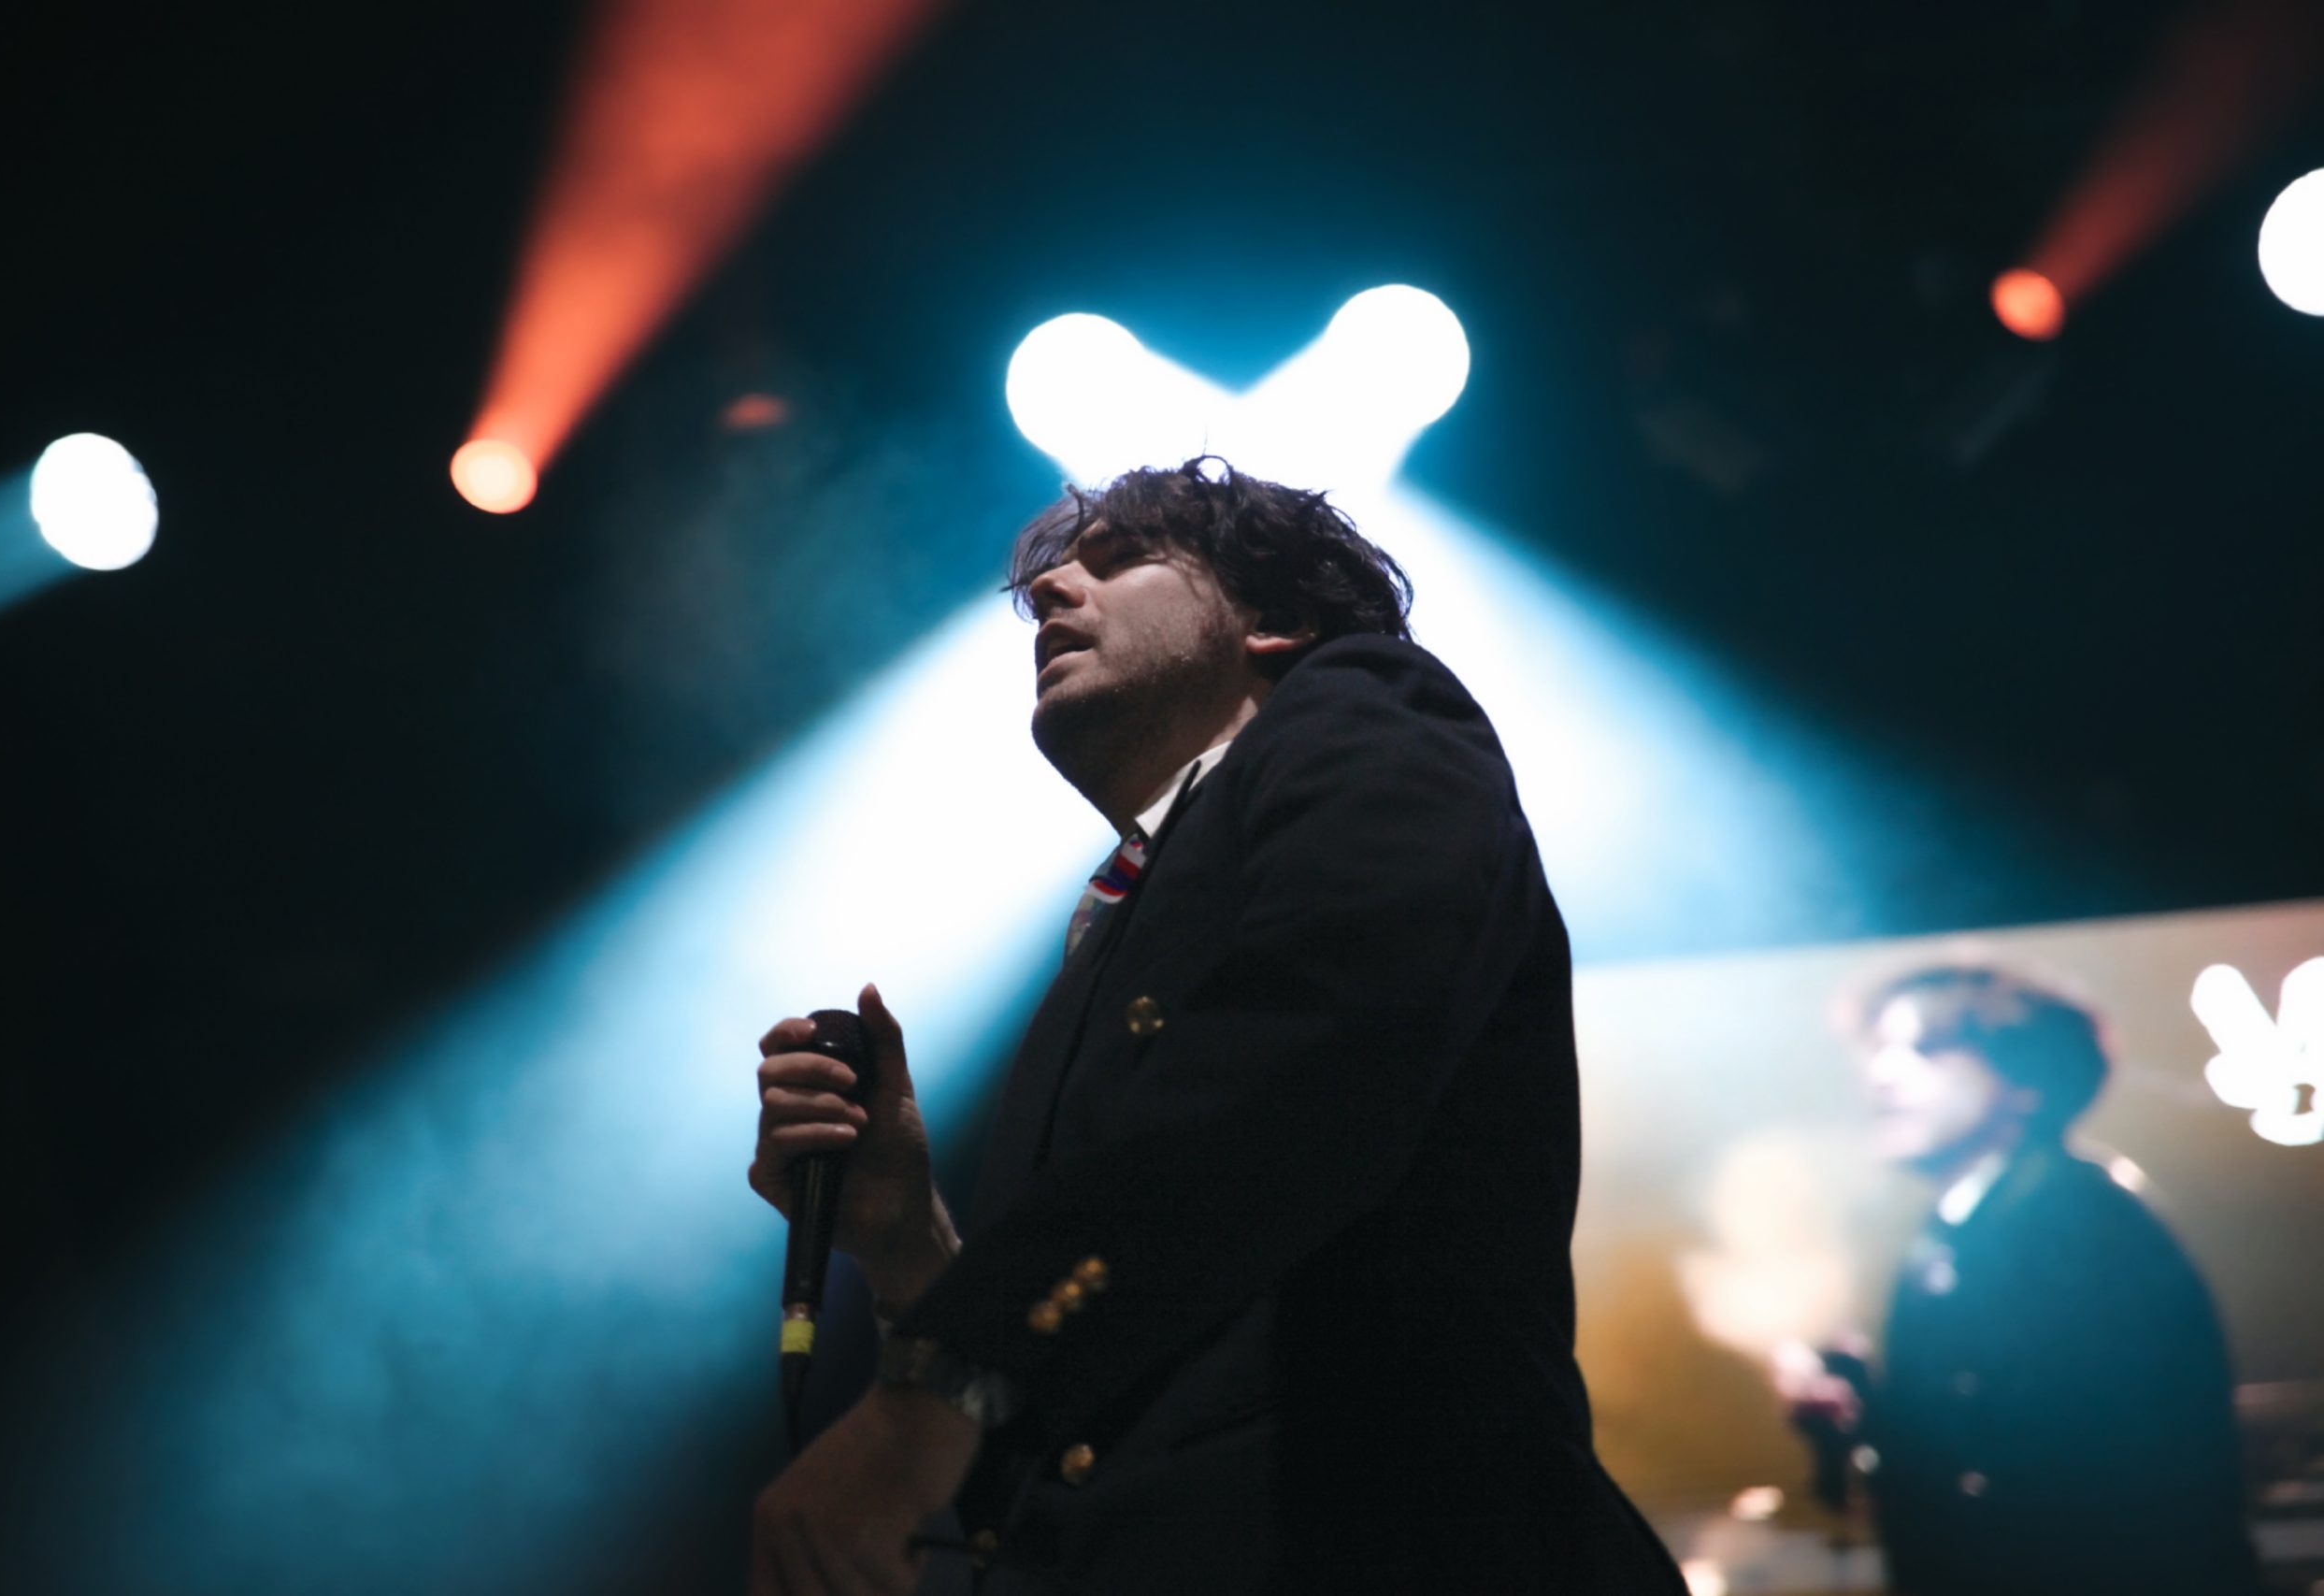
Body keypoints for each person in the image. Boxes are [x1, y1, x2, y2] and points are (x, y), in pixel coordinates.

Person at [746, 458, 1685, 1594]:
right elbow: (1097, 1381)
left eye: (1118, 560)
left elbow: (1311, 1066)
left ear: (1275, 621)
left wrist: (934, 1390)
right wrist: (907, 1241)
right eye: (1050, 578)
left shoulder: (1364, 710)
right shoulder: (1126, 912)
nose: (1050, 592)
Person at [1784, 965, 2259, 1596]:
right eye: (1880, 1049)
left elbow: (2074, 1474)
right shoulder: (1974, 1226)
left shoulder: (2074, 1219)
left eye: (1927, 1047)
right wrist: (1862, 1411)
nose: (1882, 1073)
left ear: (2026, 1082)